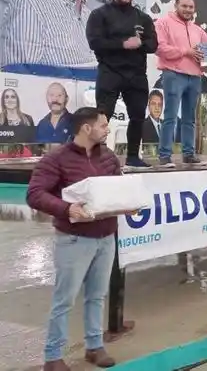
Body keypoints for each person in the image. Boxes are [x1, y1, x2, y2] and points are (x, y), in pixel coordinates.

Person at [26, 107, 129, 370]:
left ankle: (94, 347)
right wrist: (66, 208)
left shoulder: (109, 157)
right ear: (86, 128)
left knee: (97, 295)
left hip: (106, 237)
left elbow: (118, 189)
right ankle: (53, 357)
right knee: (64, 300)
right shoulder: (56, 159)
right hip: (73, 240)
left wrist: (128, 203)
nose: (107, 129)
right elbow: (35, 194)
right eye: (103, 125)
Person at [86, 0, 157, 168]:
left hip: (136, 75)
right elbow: (94, 42)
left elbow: (153, 44)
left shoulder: (143, 18)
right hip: (110, 72)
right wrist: (123, 44)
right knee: (102, 116)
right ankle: (92, 157)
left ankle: (133, 157)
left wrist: (140, 43)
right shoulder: (99, 14)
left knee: (137, 116)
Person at [154, 0, 207, 167]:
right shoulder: (163, 23)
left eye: (191, 7)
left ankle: (189, 154)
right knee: (170, 116)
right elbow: (159, 48)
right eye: (184, 6)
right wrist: (186, 51)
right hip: (173, 74)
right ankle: (165, 156)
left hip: (195, 77)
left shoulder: (198, 30)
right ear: (176, 6)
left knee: (190, 119)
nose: (188, 10)